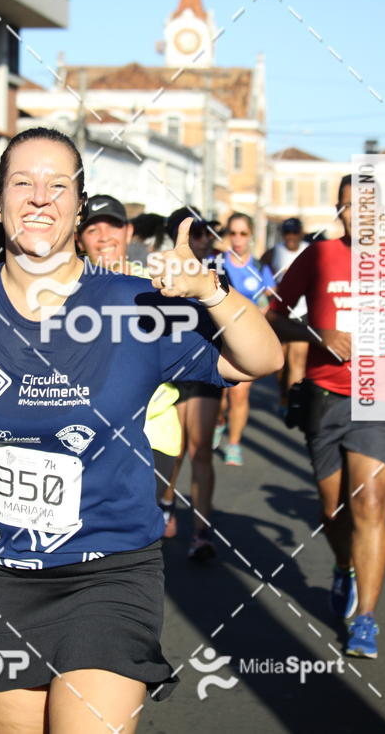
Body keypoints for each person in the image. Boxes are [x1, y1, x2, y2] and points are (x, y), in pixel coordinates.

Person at [0, 128, 283, 733]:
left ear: (78, 205)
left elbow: (261, 359)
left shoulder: (133, 303)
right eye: (22, 182)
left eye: (57, 184)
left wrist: (209, 290)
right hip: (3, 577)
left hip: (111, 571)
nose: (39, 197)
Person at [267, 173, 385, 659]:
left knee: (371, 504)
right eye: (350, 207)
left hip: (381, 397)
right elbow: (272, 314)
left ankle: (366, 619)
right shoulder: (320, 255)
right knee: (334, 512)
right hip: (324, 397)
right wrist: (317, 334)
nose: (361, 216)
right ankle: (344, 566)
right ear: (339, 212)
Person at [76, 195, 182, 504]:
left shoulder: (157, 286)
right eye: (93, 229)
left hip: (150, 434)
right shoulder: (65, 292)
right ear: (79, 240)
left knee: (133, 538)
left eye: (113, 226)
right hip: (85, 437)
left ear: (128, 232)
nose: (105, 236)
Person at [158, 207, 226, 559]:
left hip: (207, 367)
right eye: (195, 233)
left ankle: (201, 530)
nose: (202, 240)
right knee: (176, 447)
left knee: (201, 449)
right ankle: (166, 502)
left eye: (205, 234)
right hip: (170, 369)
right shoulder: (160, 269)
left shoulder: (219, 271)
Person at [221, 213, 276, 467]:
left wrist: (259, 313)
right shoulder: (217, 264)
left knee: (240, 395)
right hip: (218, 338)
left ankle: (234, 443)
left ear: (251, 235)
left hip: (247, 340)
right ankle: (220, 422)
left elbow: (269, 303)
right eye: (233, 233)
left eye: (243, 233)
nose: (238, 239)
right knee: (220, 397)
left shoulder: (260, 268)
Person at [261, 218, 310, 413]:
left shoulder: (309, 250)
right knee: (280, 362)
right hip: (280, 311)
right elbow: (259, 265)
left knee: (297, 360)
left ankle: (293, 403)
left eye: (294, 233)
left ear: (300, 233)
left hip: (303, 310)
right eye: (287, 233)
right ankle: (283, 394)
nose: (291, 237)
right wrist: (267, 285)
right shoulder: (275, 252)